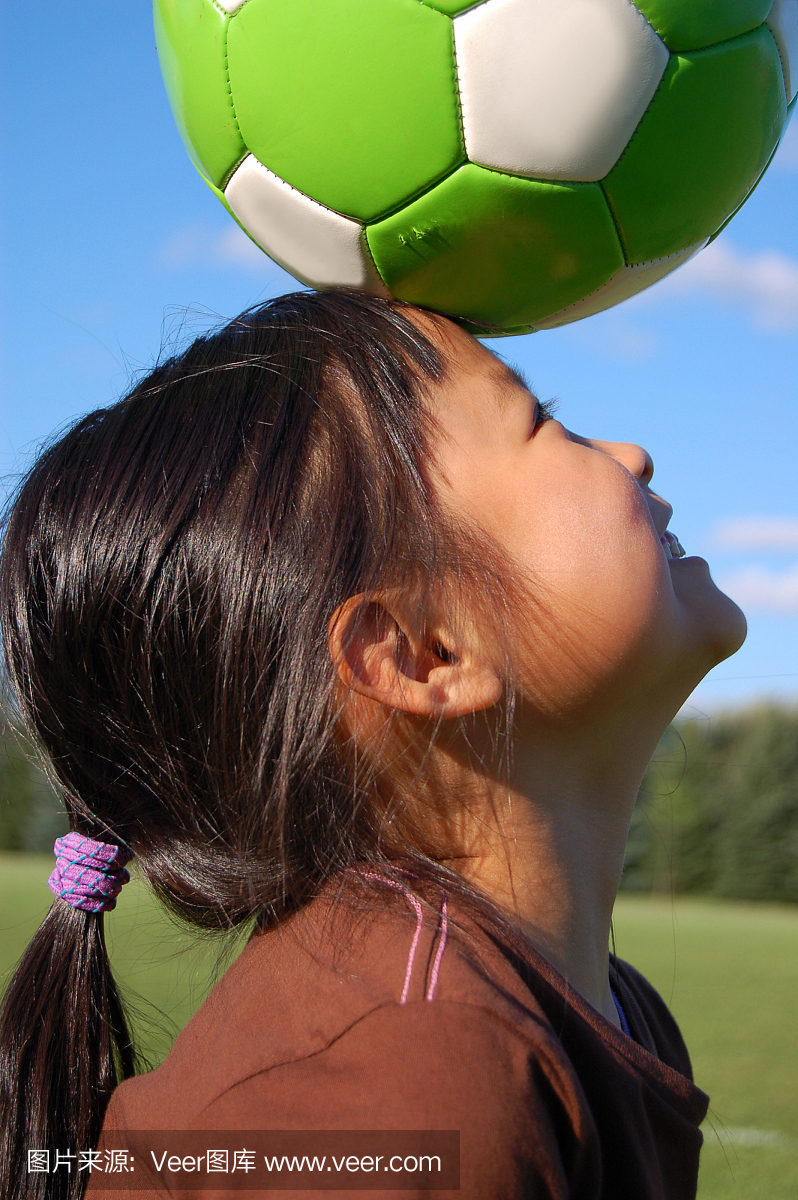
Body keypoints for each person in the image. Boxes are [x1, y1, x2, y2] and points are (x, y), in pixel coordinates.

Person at [0, 289, 746, 1200]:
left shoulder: (601, 1010)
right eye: (543, 425)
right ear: (426, 650)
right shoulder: (422, 1075)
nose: (633, 453)